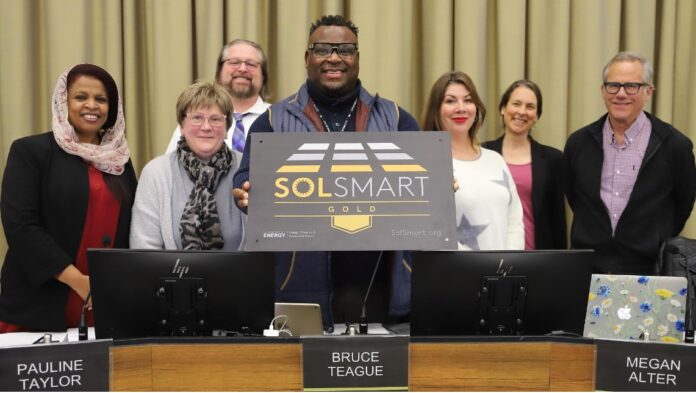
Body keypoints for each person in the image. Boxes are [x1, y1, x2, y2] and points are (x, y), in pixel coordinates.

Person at [232, 15, 420, 330]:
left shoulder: (398, 119)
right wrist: (245, 193)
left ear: (357, 58)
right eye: (322, 49)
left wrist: (440, 186)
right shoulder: (272, 122)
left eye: (345, 49)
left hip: (379, 291)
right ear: (307, 58)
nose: (334, 57)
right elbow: (246, 178)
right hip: (299, 285)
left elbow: (424, 184)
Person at [0, 64, 137, 332]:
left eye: (101, 99)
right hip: (37, 307)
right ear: (63, 102)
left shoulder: (119, 160)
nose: (92, 105)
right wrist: (81, 282)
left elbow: (129, 228)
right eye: (80, 97)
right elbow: (21, 227)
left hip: (102, 308)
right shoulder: (31, 151)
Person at [564, 51, 696, 274]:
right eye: (613, 85)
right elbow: (575, 198)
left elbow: (683, 204)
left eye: (631, 86)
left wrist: (651, 238)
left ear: (648, 92)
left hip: (650, 271)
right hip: (588, 271)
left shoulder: (675, 146)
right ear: (603, 90)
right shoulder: (579, 143)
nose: (621, 94)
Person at [130, 80, 245, 251]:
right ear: (182, 126)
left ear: (227, 127)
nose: (206, 127)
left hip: (241, 277)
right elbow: (144, 249)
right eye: (197, 118)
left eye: (216, 119)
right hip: (170, 277)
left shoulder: (246, 167)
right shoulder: (156, 173)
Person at [422, 71, 524, 251]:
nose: (461, 108)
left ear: (476, 109)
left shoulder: (496, 160)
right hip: (456, 275)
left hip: (504, 273)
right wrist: (480, 269)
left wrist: (508, 265)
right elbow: (430, 230)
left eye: (468, 100)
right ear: (436, 110)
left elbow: (515, 221)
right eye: (450, 101)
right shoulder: (426, 164)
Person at [482, 80, 566, 250]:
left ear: (537, 115)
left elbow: (558, 221)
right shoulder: (482, 154)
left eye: (530, 107)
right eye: (516, 104)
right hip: (488, 257)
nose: (522, 112)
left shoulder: (553, 159)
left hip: (537, 263)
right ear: (503, 108)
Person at [165, 39, 271, 163]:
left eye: (251, 64)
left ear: (263, 75)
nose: (242, 69)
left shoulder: (278, 118)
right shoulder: (193, 121)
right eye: (234, 62)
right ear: (219, 71)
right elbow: (171, 169)